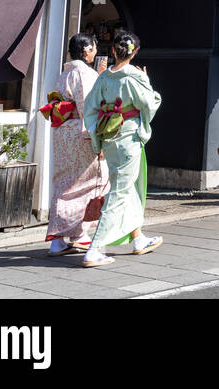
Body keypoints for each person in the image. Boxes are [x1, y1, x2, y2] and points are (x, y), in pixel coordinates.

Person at [80, 31, 163, 267]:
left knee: (126, 187)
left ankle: (138, 238)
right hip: (128, 138)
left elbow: (90, 109)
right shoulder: (135, 77)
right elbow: (149, 104)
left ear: (114, 51)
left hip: (110, 137)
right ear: (134, 52)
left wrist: (98, 140)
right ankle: (94, 249)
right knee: (119, 192)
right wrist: (148, 83)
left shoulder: (105, 77)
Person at [41, 34, 110, 256]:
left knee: (64, 183)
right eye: (94, 47)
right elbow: (89, 108)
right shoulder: (84, 73)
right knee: (90, 183)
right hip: (82, 133)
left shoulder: (66, 73)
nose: (95, 51)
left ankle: (58, 239)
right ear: (87, 49)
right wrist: (97, 139)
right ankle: (79, 235)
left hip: (63, 133)